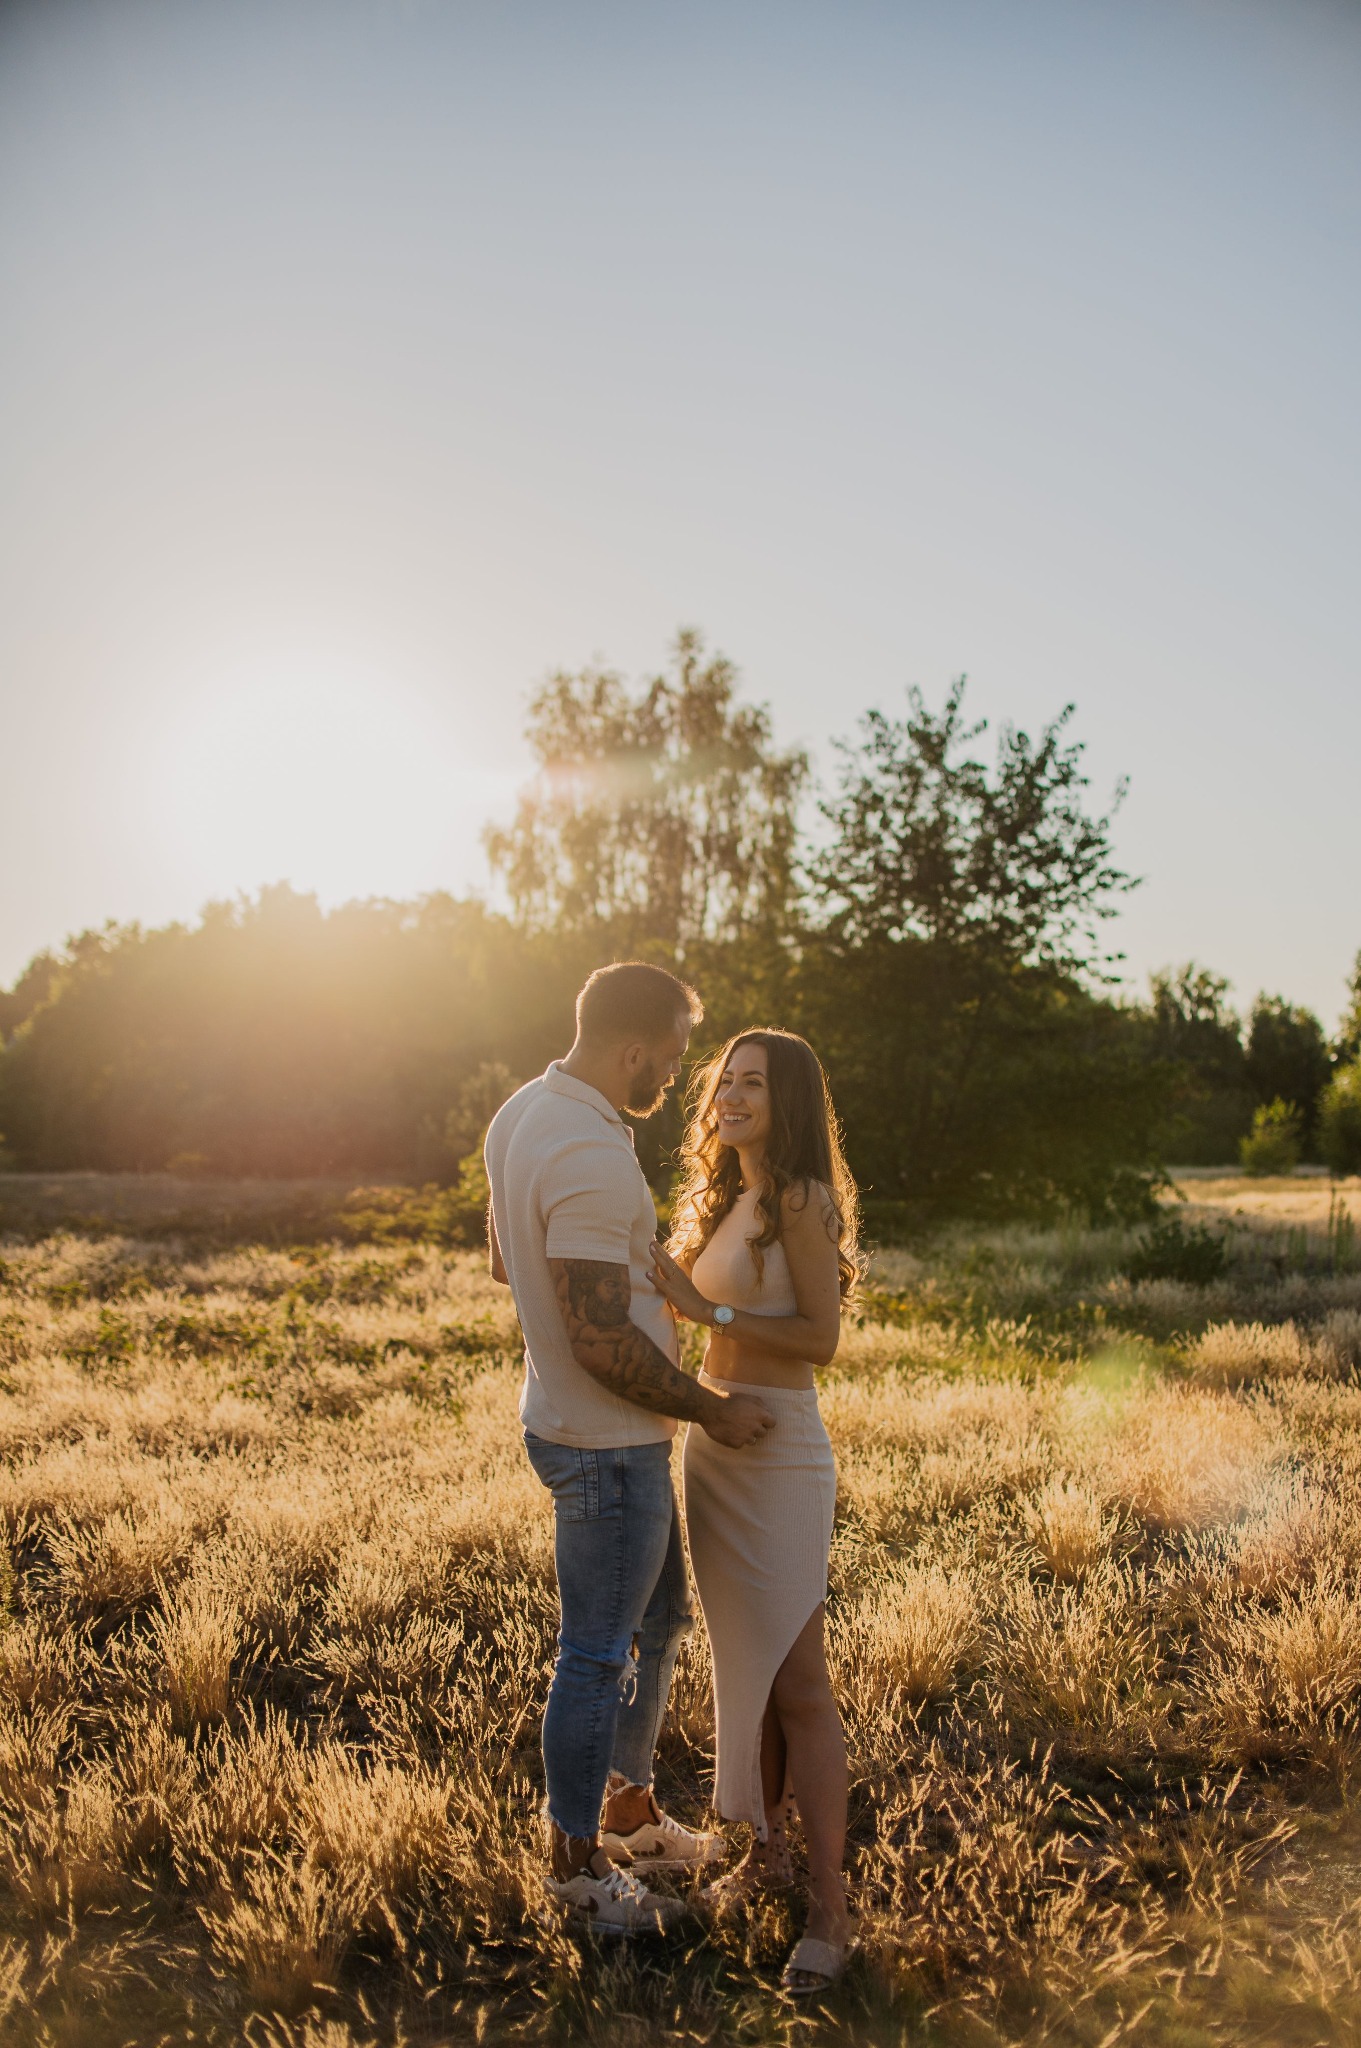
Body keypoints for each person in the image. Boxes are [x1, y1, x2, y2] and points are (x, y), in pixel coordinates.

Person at [484, 963, 776, 1934]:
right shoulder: (588, 1149)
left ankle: (629, 1814)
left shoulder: (522, 1113)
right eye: (674, 1058)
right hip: (605, 1444)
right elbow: (599, 1341)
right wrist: (710, 1407)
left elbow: (505, 1257)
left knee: (656, 1622)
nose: (676, 1077)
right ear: (634, 1050)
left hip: (583, 1426)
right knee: (596, 1652)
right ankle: (576, 1873)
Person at [648, 1028, 861, 1994]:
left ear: (789, 1102)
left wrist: (710, 1314)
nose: (730, 1096)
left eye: (753, 1085)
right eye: (723, 1081)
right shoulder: (723, 1200)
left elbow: (820, 1339)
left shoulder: (801, 1200)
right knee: (749, 1669)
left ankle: (829, 1910)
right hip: (715, 1448)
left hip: (778, 1449)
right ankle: (765, 1857)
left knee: (800, 1682)